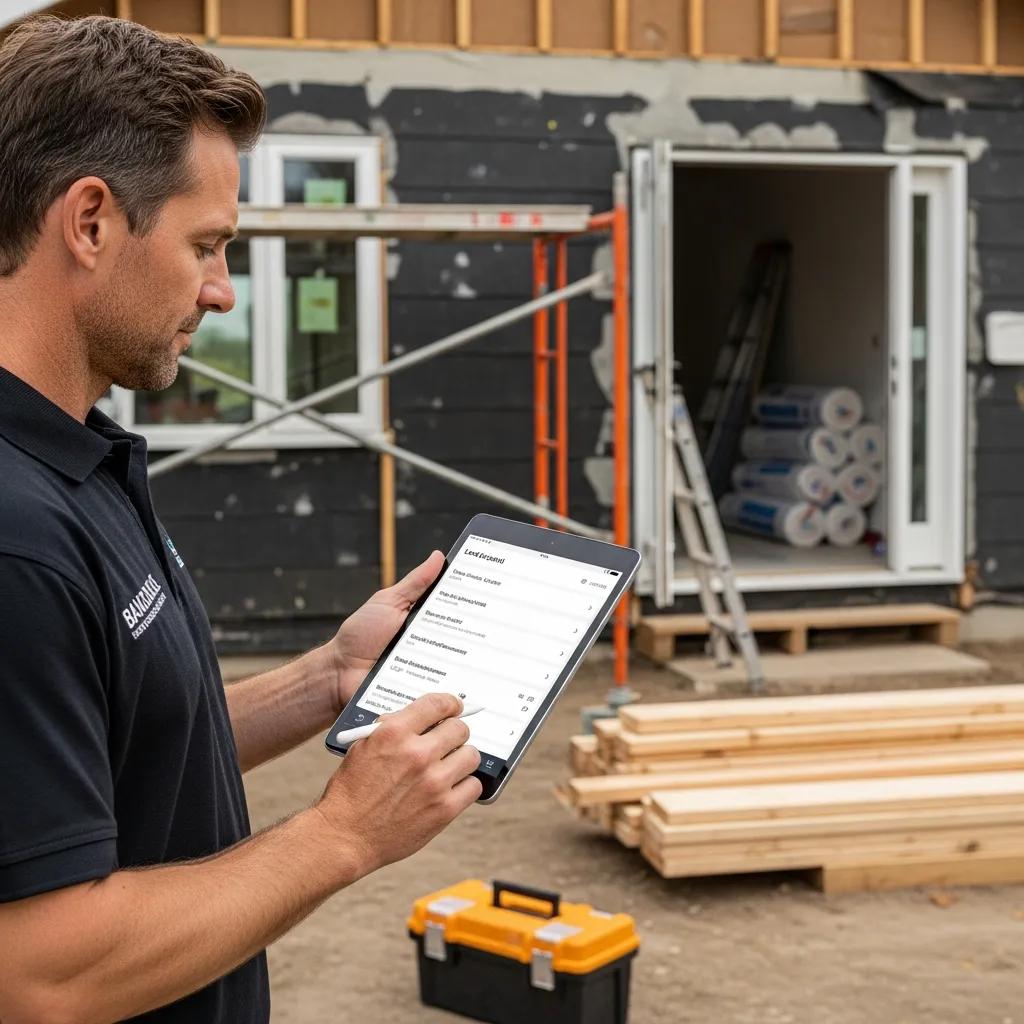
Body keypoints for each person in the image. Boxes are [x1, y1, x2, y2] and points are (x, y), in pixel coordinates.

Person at [0, 15, 481, 1023]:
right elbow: (40, 970)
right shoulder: (16, 541)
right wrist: (343, 831)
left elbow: (126, 739)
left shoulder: (76, 454)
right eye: (206, 245)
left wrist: (325, 682)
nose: (221, 290)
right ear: (88, 222)